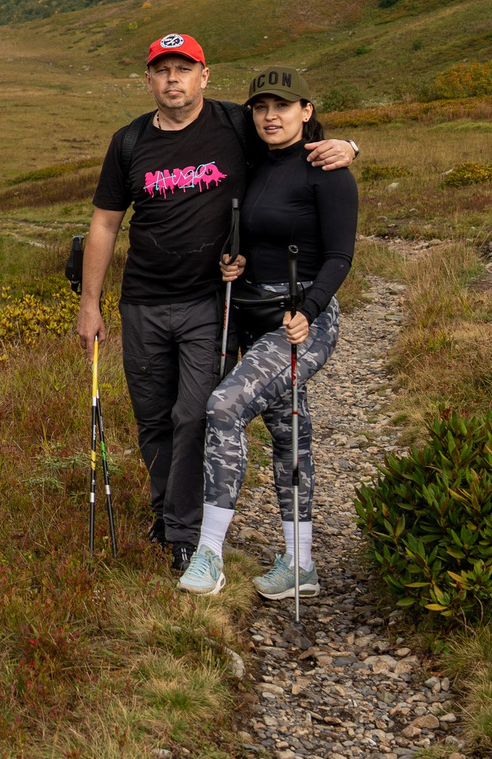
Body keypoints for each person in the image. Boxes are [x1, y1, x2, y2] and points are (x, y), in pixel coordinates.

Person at [75, 36, 356, 573]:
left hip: (211, 304)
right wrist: (91, 304)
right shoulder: (130, 141)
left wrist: (349, 146)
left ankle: (192, 538)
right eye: (162, 71)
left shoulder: (232, 126)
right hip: (154, 302)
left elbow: (295, 147)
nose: (173, 80)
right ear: (149, 80)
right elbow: (106, 222)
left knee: (199, 413)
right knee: (155, 418)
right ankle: (169, 519)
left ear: (205, 76)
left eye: (184, 69)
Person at [177, 65, 359, 598]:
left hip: (304, 321)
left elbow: (340, 255)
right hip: (252, 314)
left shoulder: (328, 171)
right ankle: (300, 565)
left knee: (226, 404)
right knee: (288, 430)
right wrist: (234, 260)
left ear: (306, 110)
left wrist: (312, 307)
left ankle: (209, 555)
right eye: (260, 107)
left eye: (282, 106)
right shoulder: (254, 162)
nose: (270, 116)